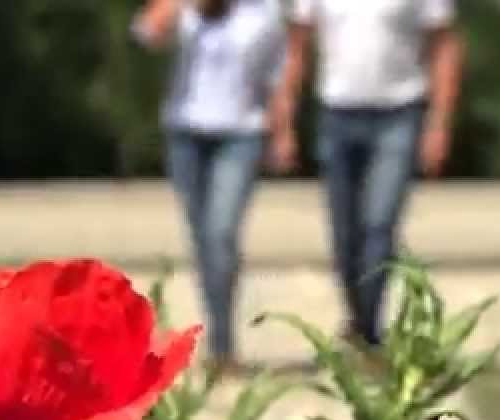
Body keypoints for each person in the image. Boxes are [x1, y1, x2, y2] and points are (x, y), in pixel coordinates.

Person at [268, 0, 464, 356]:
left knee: (379, 225)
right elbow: (296, 49)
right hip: (336, 114)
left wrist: (439, 125)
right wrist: (284, 123)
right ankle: (358, 320)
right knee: (344, 234)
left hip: (399, 113)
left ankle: (369, 331)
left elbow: (444, 47)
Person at [132, 0, 285, 376]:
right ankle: (219, 339)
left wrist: (283, 131)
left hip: (241, 134)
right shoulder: (186, 10)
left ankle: (223, 343)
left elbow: (278, 75)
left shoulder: (264, 11)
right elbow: (146, 33)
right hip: (186, 134)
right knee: (203, 241)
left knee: (221, 235)